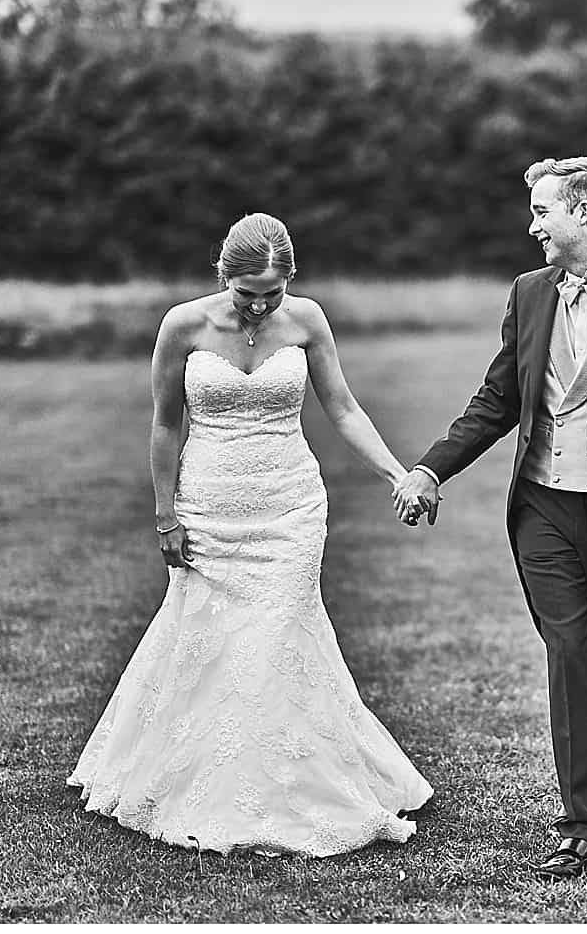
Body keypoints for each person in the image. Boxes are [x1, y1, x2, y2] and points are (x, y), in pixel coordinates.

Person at [68, 212, 433, 857]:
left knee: (280, 636)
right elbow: (164, 425)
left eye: (274, 292)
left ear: (290, 280)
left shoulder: (308, 320)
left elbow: (343, 408)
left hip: (290, 505)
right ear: (223, 277)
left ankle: (291, 781)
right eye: (249, 294)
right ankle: (203, 781)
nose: (262, 307)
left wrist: (397, 475)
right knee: (208, 640)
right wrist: (165, 514)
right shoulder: (182, 325)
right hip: (209, 504)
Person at [393, 156, 587, 879]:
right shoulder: (528, 293)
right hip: (543, 506)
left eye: (543, 211)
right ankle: (581, 824)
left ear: (586, 213)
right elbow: (498, 398)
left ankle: (583, 805)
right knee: (570, 647)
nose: (532, 225)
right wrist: (430, 466)